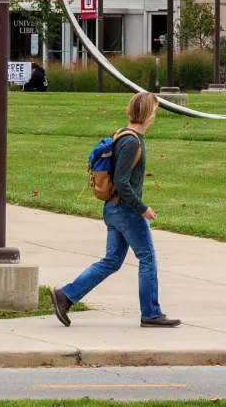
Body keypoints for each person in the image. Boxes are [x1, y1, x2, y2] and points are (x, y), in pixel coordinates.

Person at [51, 92, 181, 328]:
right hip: (126, 211)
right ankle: (151, 313)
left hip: (114, 208)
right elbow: (122, 181)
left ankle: (65, 296)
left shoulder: (124, 134)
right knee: (148, 258)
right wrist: (142, 208)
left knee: (112, 261)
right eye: (155, 111)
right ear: (149, 114)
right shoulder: (131, 141)